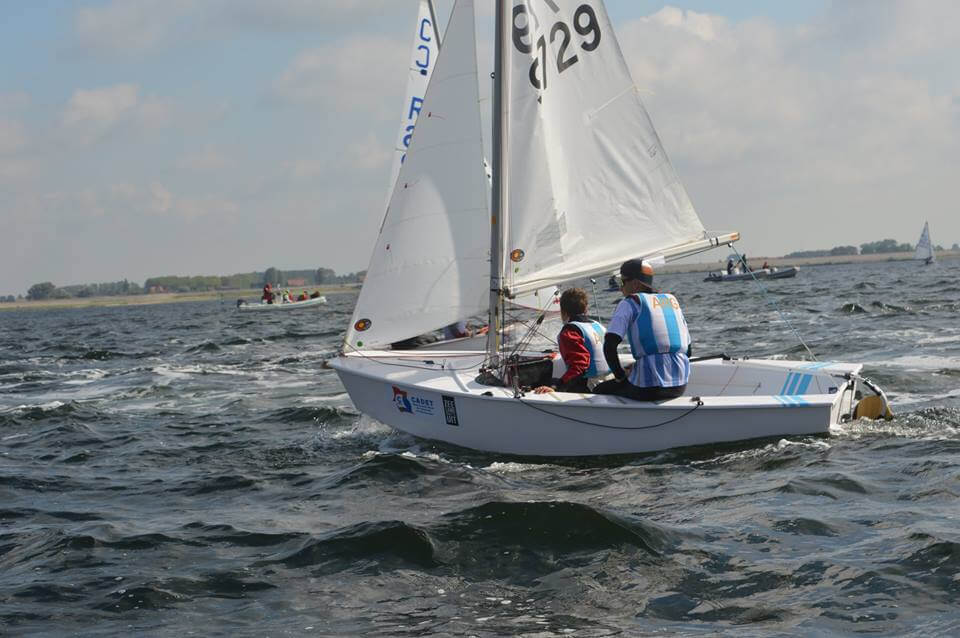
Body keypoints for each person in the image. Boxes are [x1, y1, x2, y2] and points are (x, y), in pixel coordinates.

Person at [593, 259, 691, 401]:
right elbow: (688, 350)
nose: (621, 288)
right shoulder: (671, 301)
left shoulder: (630, 302)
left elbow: (609, 346)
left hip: (648, 389)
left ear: (635, 284)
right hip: (679, 386)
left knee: (599, 389)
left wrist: (620, 376)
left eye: (622, 282)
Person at [533, 288, 610, 394]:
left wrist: (556, 387)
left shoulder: (570, 332)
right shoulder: (598, 326)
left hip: (589, 387)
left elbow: (580, 366)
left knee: (540, 383)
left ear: (563, 312)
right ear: (586, 309)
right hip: (607, 381)